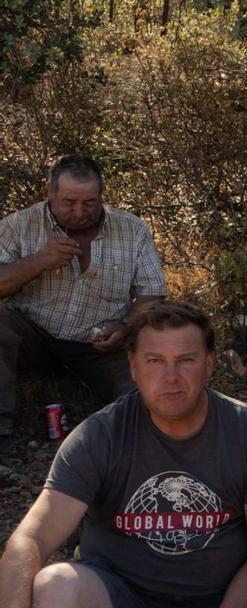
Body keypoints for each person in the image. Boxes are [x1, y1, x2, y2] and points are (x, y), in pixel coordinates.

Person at [0, 301, 247, 608]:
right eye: (155, 360)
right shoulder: (100, 435)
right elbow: (29, 540)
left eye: (186, 360)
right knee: (55, 584)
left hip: (222, 605)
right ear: (134, 368)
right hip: (121, 603)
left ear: (209, 364)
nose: (170, 376)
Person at [0, 155, 165, 457]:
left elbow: (152, 296)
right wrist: (38, 262)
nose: (79, 212)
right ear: (50, 195)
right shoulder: (19, 225)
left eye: (89, 203)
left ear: (102, 196)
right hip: (33, 334)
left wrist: (125, 326)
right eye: (68, 202)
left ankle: (126, 452)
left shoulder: (132, 230)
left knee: (145, 387)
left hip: (100, 341)